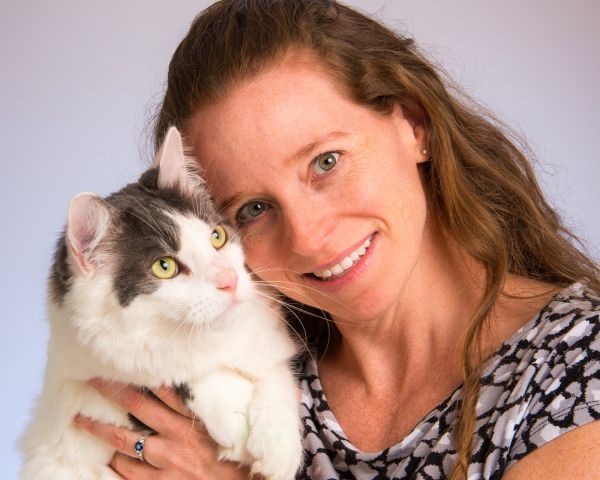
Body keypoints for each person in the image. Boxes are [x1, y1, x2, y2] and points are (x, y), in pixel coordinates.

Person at [74, 0, 600, 478]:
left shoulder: (575, 364)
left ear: (415, 125)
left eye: (325, 162)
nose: (308, 236)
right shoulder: (240, 377)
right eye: (253, 209)